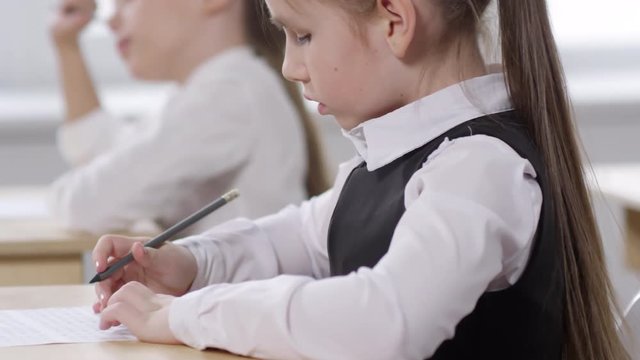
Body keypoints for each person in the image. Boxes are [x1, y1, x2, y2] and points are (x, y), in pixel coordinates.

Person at [91, 0, 630, 359]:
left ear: (395, 20)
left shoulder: (479, 168)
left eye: (302, 35)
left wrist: (183, 315)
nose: (289, 66)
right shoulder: (394, 158)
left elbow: (385, 320)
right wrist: (187, 264)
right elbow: (297, 237)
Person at [48, 0, 329, 235]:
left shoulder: (228, 95)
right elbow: (104, 152)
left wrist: (67, 194)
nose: (111, 21)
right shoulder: (219, 89)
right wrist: (67, 45)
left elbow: (88, 205)